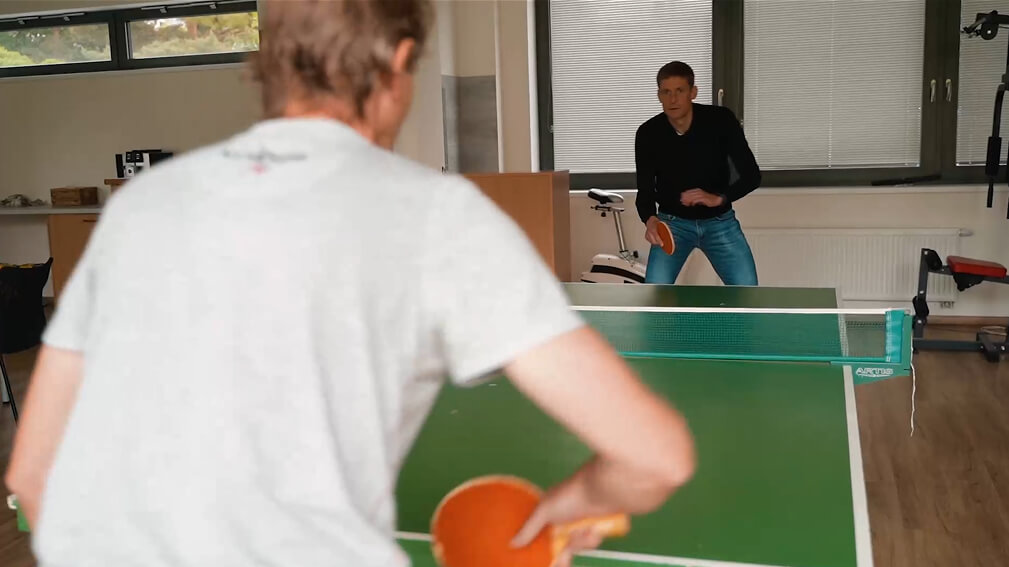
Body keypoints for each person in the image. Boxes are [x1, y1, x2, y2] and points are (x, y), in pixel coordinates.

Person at [5, 2, 696, 567]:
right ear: (398, 62)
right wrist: (575, 501)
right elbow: (654, 456)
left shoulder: (140, 204)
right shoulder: (438, 214)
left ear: (268, 61)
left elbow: (33, 474)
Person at [635, 61, 762, 286]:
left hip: (720, 223)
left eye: (680, 91)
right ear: (659, 95)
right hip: (672, 225)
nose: (673, 99)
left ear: (693, 92)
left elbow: (752, 176)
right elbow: (645, 190)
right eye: (666, 92)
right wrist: (650, 220)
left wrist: (719, 198)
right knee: (654, 294)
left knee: (748, 292)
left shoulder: (721, 121)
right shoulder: (648, 133)